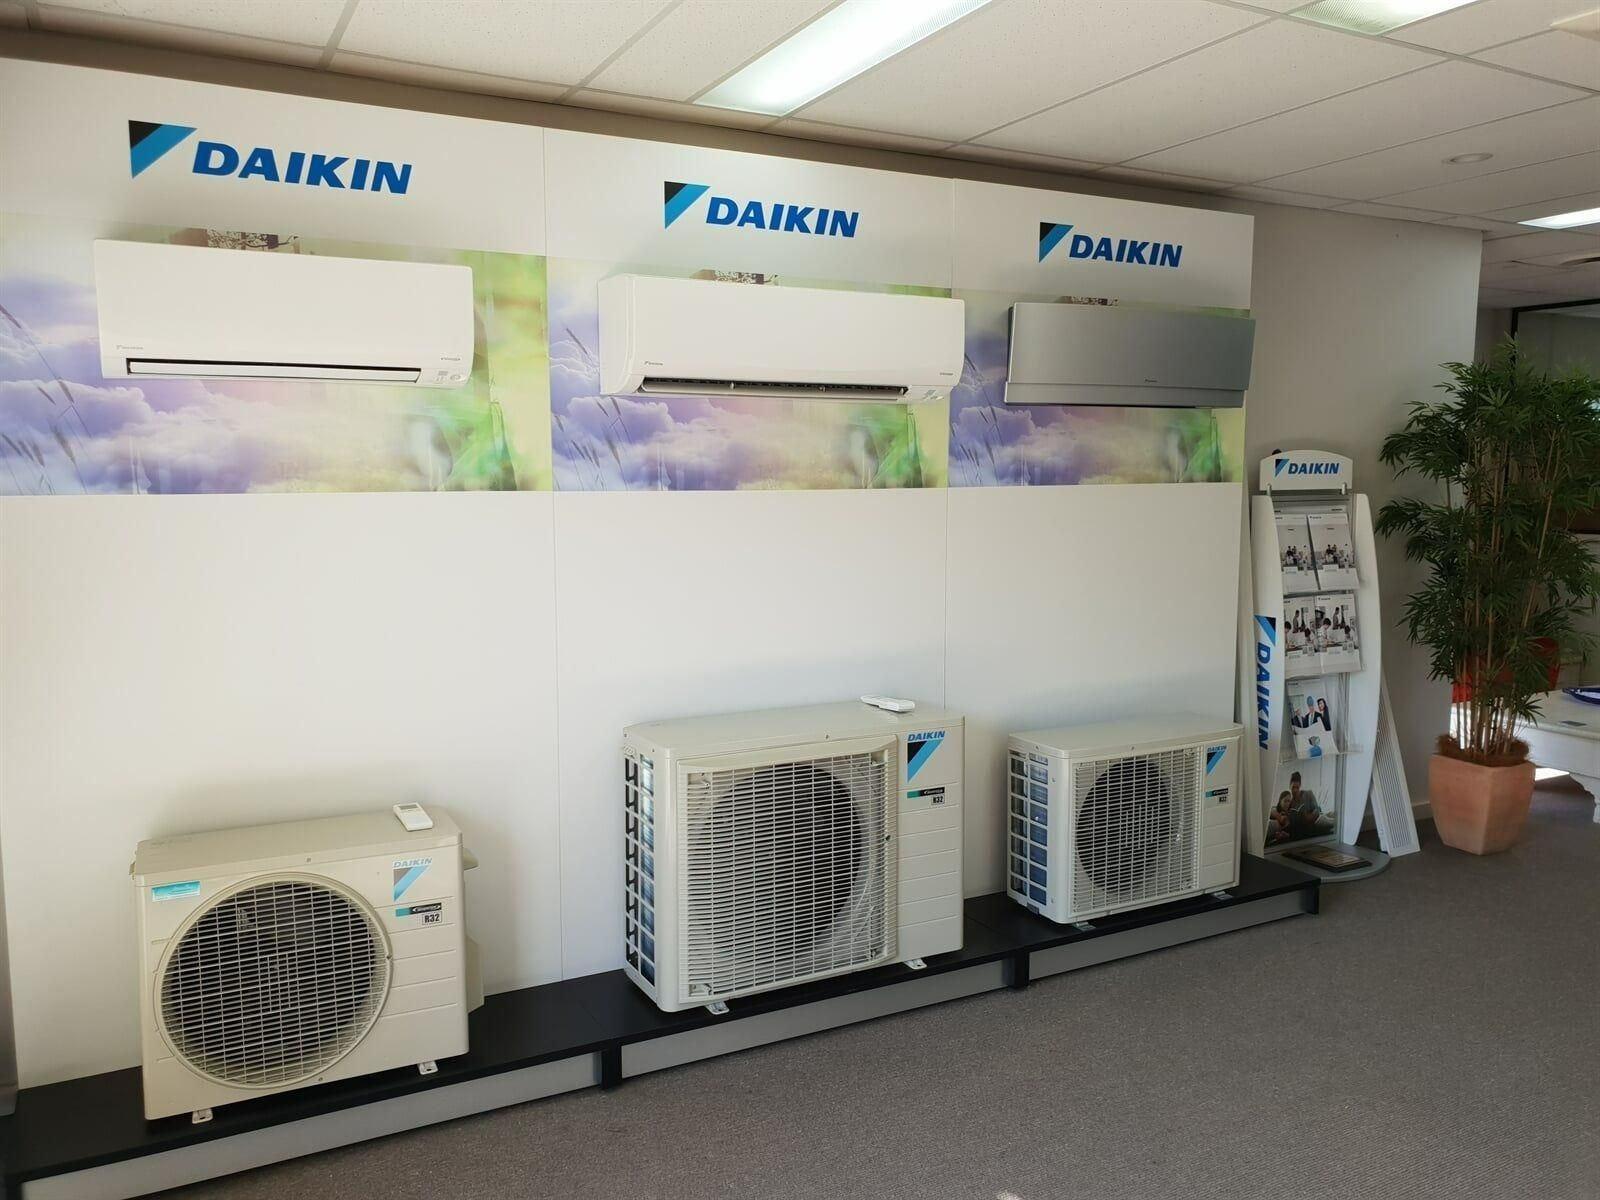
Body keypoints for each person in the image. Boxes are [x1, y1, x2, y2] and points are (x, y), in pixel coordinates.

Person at [1285, 771, 1334, 839]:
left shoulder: (1308, 793)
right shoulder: (1290, 803)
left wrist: (1311, 816)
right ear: (1289, 786)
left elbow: (1316, 809)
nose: (1295, 790)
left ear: (1300, 786)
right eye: (1293, 788)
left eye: (1297, 787)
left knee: (1332, 816)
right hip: (1311, 824)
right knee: (1330, 820)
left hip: (1318, 818)